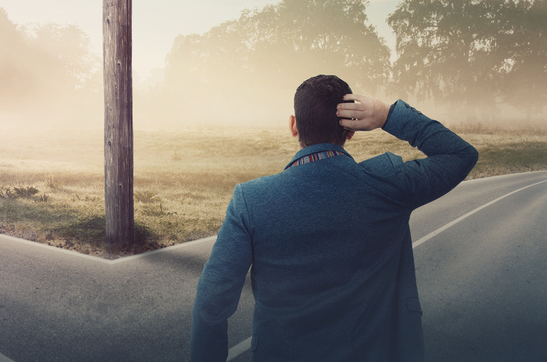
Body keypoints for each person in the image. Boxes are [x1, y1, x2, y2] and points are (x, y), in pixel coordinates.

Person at [190, 74, 478, 362]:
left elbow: (212, 301)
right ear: (350, 131)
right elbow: (460, 154)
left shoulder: (250, 200)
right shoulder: (389, 185)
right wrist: (387, 115)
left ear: (293, 126)